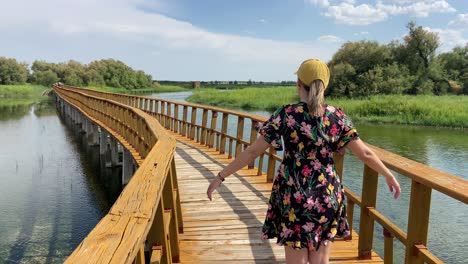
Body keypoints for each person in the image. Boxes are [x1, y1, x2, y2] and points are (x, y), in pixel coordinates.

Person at [206, 58, 401, 264]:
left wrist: (221, 176)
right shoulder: (336, 117)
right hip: (327, 195)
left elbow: (253, 152)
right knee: (321, 261)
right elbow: (366, 154)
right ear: (325, 86)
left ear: (298, 84)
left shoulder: (286, 115)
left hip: (293, 195)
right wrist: (388, 174)